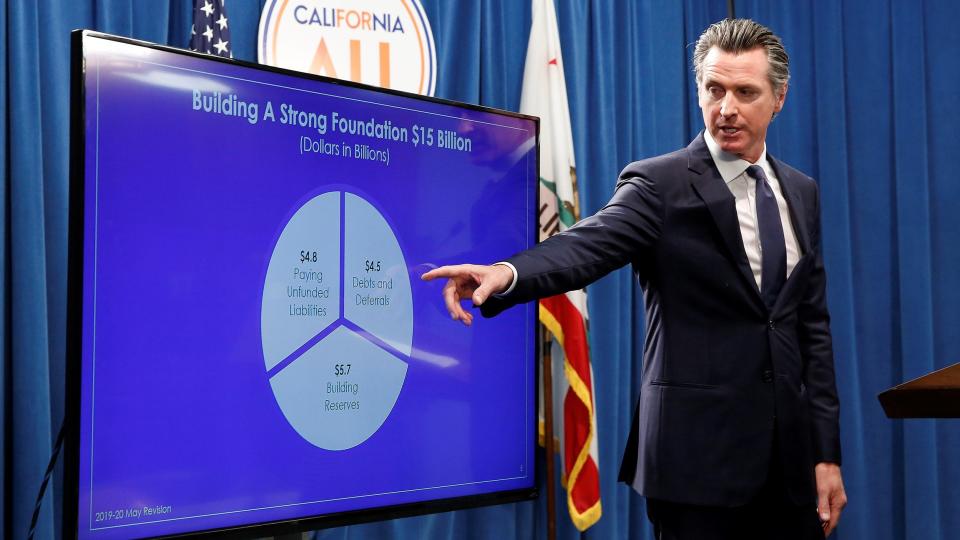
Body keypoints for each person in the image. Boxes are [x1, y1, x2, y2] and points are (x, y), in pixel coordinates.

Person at [422, 18, 846, 540]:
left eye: (745, 92)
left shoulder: (801, 193)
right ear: (699, 91)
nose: (727, 108)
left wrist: (826, 454)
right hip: (696, 469)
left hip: (789, 471)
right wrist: (509, 272)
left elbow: (812, 331)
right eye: (714, 90)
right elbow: (586, 245)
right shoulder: (660, 184)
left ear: (778, 98)